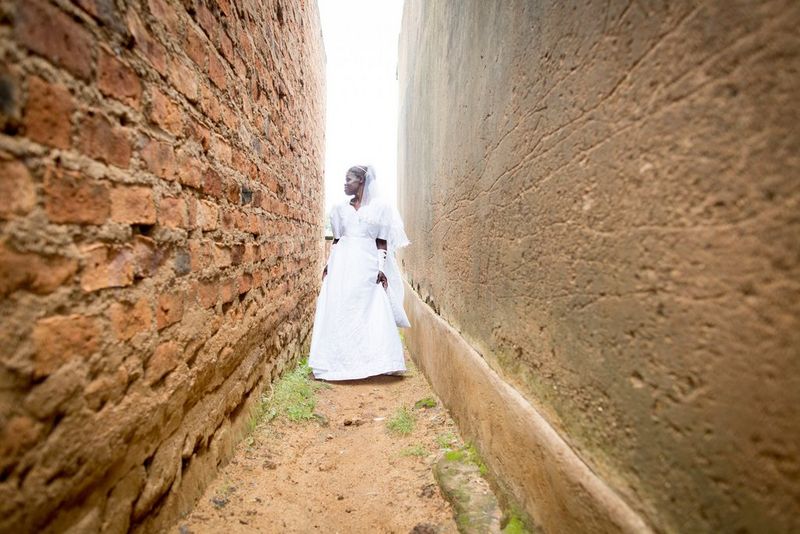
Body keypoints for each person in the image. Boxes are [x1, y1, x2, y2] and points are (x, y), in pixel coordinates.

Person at [308, 165, 411, 380]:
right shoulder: (338, 209)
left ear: (362, 182)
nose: (345, 184)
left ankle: (373, 362)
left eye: (349, 180)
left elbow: (381, 242)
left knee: (368, 308)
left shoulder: (380, 208)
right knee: (342, 307)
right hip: (343, 263)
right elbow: (336, 240)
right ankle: (337, 362)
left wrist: (381, 269)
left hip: (367, 263)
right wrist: (329, 264)